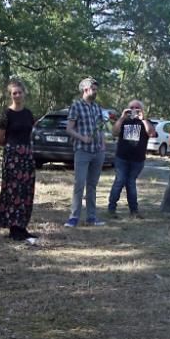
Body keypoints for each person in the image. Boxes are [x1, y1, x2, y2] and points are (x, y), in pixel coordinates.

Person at [0, 78, 37, 242]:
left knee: (26, 190)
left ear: (24, 93)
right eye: (14, 93)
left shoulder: (28, 113)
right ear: (10, 95)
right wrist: (13, 148)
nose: (17, 95)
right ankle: (13, 228)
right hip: (12, 155)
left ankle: (22, 227)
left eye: (19, 92)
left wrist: (24, 150)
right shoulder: (5, 114)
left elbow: (30, 132)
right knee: (13, 190)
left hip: (27, 155)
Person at [64, 77, 107, 227]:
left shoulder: (97, 107)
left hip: (97, 151)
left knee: (92, 185)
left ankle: (91, 217)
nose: (95, 92)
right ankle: (74, 217)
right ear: (85, 89)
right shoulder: (76, 106)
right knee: (79, 183)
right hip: (82, 150)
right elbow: (69, 129)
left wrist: (102, 144)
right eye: (93, 89)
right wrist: (82, 138)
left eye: (96, 89)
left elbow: (101, 127)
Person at [108, 99, 155, 219]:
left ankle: (134, 210)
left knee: (131, 183)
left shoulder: (145, 122)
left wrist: (143, 119)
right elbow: (114, 132)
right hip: (122, 158)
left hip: (137, 160)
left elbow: (151, 133)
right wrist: (122, 117)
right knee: (120, 180)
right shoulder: (124, 121)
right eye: (132, 108)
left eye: (137, 108)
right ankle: (111, 209)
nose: (134, 110)